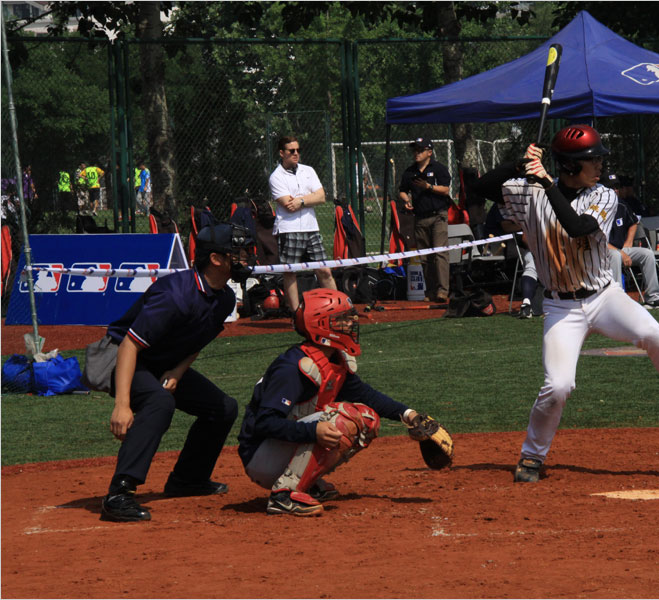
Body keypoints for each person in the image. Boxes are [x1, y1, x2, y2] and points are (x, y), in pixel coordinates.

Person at [474, 124, 659, 484]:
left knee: (653, 333)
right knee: (559, 385)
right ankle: (532, 457)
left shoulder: (604, 196)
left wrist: (546, 181)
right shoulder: (527, 192)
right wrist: (519, 164)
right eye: (591, 160)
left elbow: (577, 226)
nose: (599, 166)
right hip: (561, 307)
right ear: (570, 165)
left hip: (604, 296)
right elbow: (478, 188)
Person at [99, 224, 253, 522]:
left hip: (161, 362)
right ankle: (118, 494)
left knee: (223, 408)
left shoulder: (223, 299)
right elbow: (129, 344)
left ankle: (188, 479)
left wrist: (178, 373)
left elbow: (195, 343)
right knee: (160, 402)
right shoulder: (176, 295)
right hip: (122, 359)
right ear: (216, 260)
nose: (245, 258)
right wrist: (122, 404)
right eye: (237, 252)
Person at [237, 288, 435, 516]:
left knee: (367, 418)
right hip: (260, 455)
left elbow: (367, 396)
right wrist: (313, 431)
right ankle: (284, 493)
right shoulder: (292, 368)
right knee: (344, 420)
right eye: (343, 318)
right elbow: (264, 423)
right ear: (322, 325)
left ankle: (306, 481)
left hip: (278, 449)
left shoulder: (332, 360)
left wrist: (409, 414)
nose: (352, 323)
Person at [269, 135, 337, 313]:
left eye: (298, 150)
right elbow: (287, 204)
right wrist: (308, 198)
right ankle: (295, 313)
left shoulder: (308, 170)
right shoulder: (276, 177)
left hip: (311, 228)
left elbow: (321, 197)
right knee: (290, 272)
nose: (296, 154)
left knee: (325, 271)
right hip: (288, 230)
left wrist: (301, 201)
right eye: (292, 151)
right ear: (281, 153)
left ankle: (337, 309)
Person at [398, 137, 453, 303]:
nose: (417, 153)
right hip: (420, 218)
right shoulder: (410, 172)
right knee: (424, 256)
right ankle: (429, 291)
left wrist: (428, 186)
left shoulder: (439, 169)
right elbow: (402, 190)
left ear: (429, 152)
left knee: (440, 253)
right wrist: (406, 199)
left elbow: (445, 189)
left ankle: (443, 291)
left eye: (420, 150)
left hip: (438, 216)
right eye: (415, 150)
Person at [605, 174, 659, 310]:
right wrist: (620, 252)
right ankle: (618, 301)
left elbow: (634, 223)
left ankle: (653, 298)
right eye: (611, 187)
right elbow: (595, 238)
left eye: (617, 187)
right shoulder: (596, 208)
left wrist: (628, 242)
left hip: (621, 249)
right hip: (602, 251)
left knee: (646, 253)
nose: (615, 190)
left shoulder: (622, 205)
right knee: (616, 256)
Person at [484, 201, 541, 319]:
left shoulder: (530, 202)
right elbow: (508, 227)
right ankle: (527, 303)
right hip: (504, 245)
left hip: (537, 244)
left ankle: (528, 303)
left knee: (534, 264)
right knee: (532, 264)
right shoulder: (502, 204)